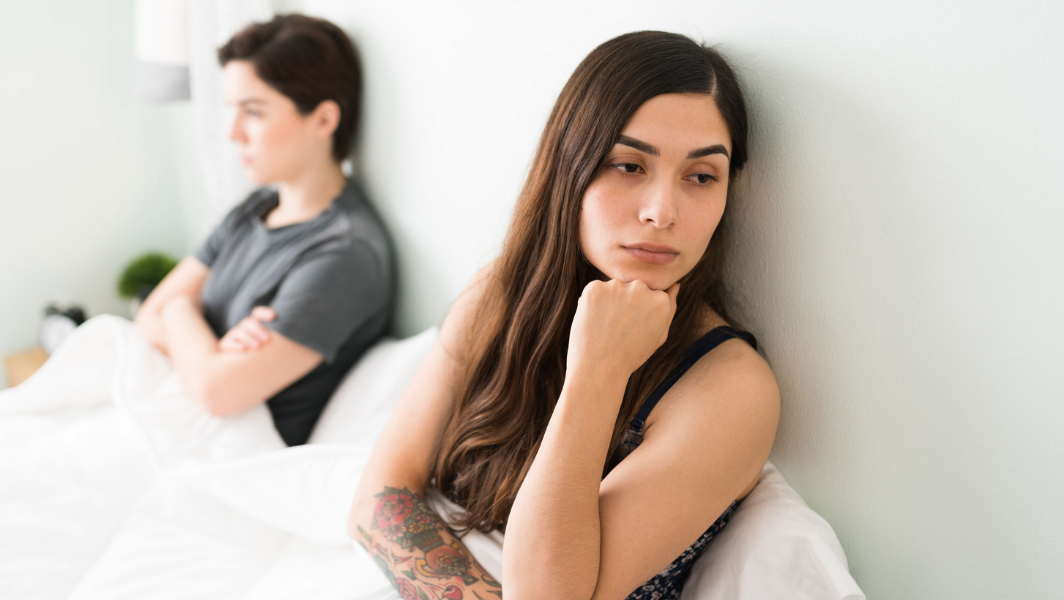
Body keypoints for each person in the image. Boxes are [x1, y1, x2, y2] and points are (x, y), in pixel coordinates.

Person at [347, 31, 779, 600]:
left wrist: (596, 374)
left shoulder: (730, 389)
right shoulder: (500, 292)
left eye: (701, 176)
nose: (661, 212)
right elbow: (379, 497)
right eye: (628, 165)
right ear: (567, 166)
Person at [134, 15, 394, 447]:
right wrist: (204, 338)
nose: (233, 133)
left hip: (237, 453)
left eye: (253, 111)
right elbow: (149, 316)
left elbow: (219, 391)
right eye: (231, 110)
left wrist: (181, 311)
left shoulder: (344, 255)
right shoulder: (253, 209)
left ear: (324, 120)